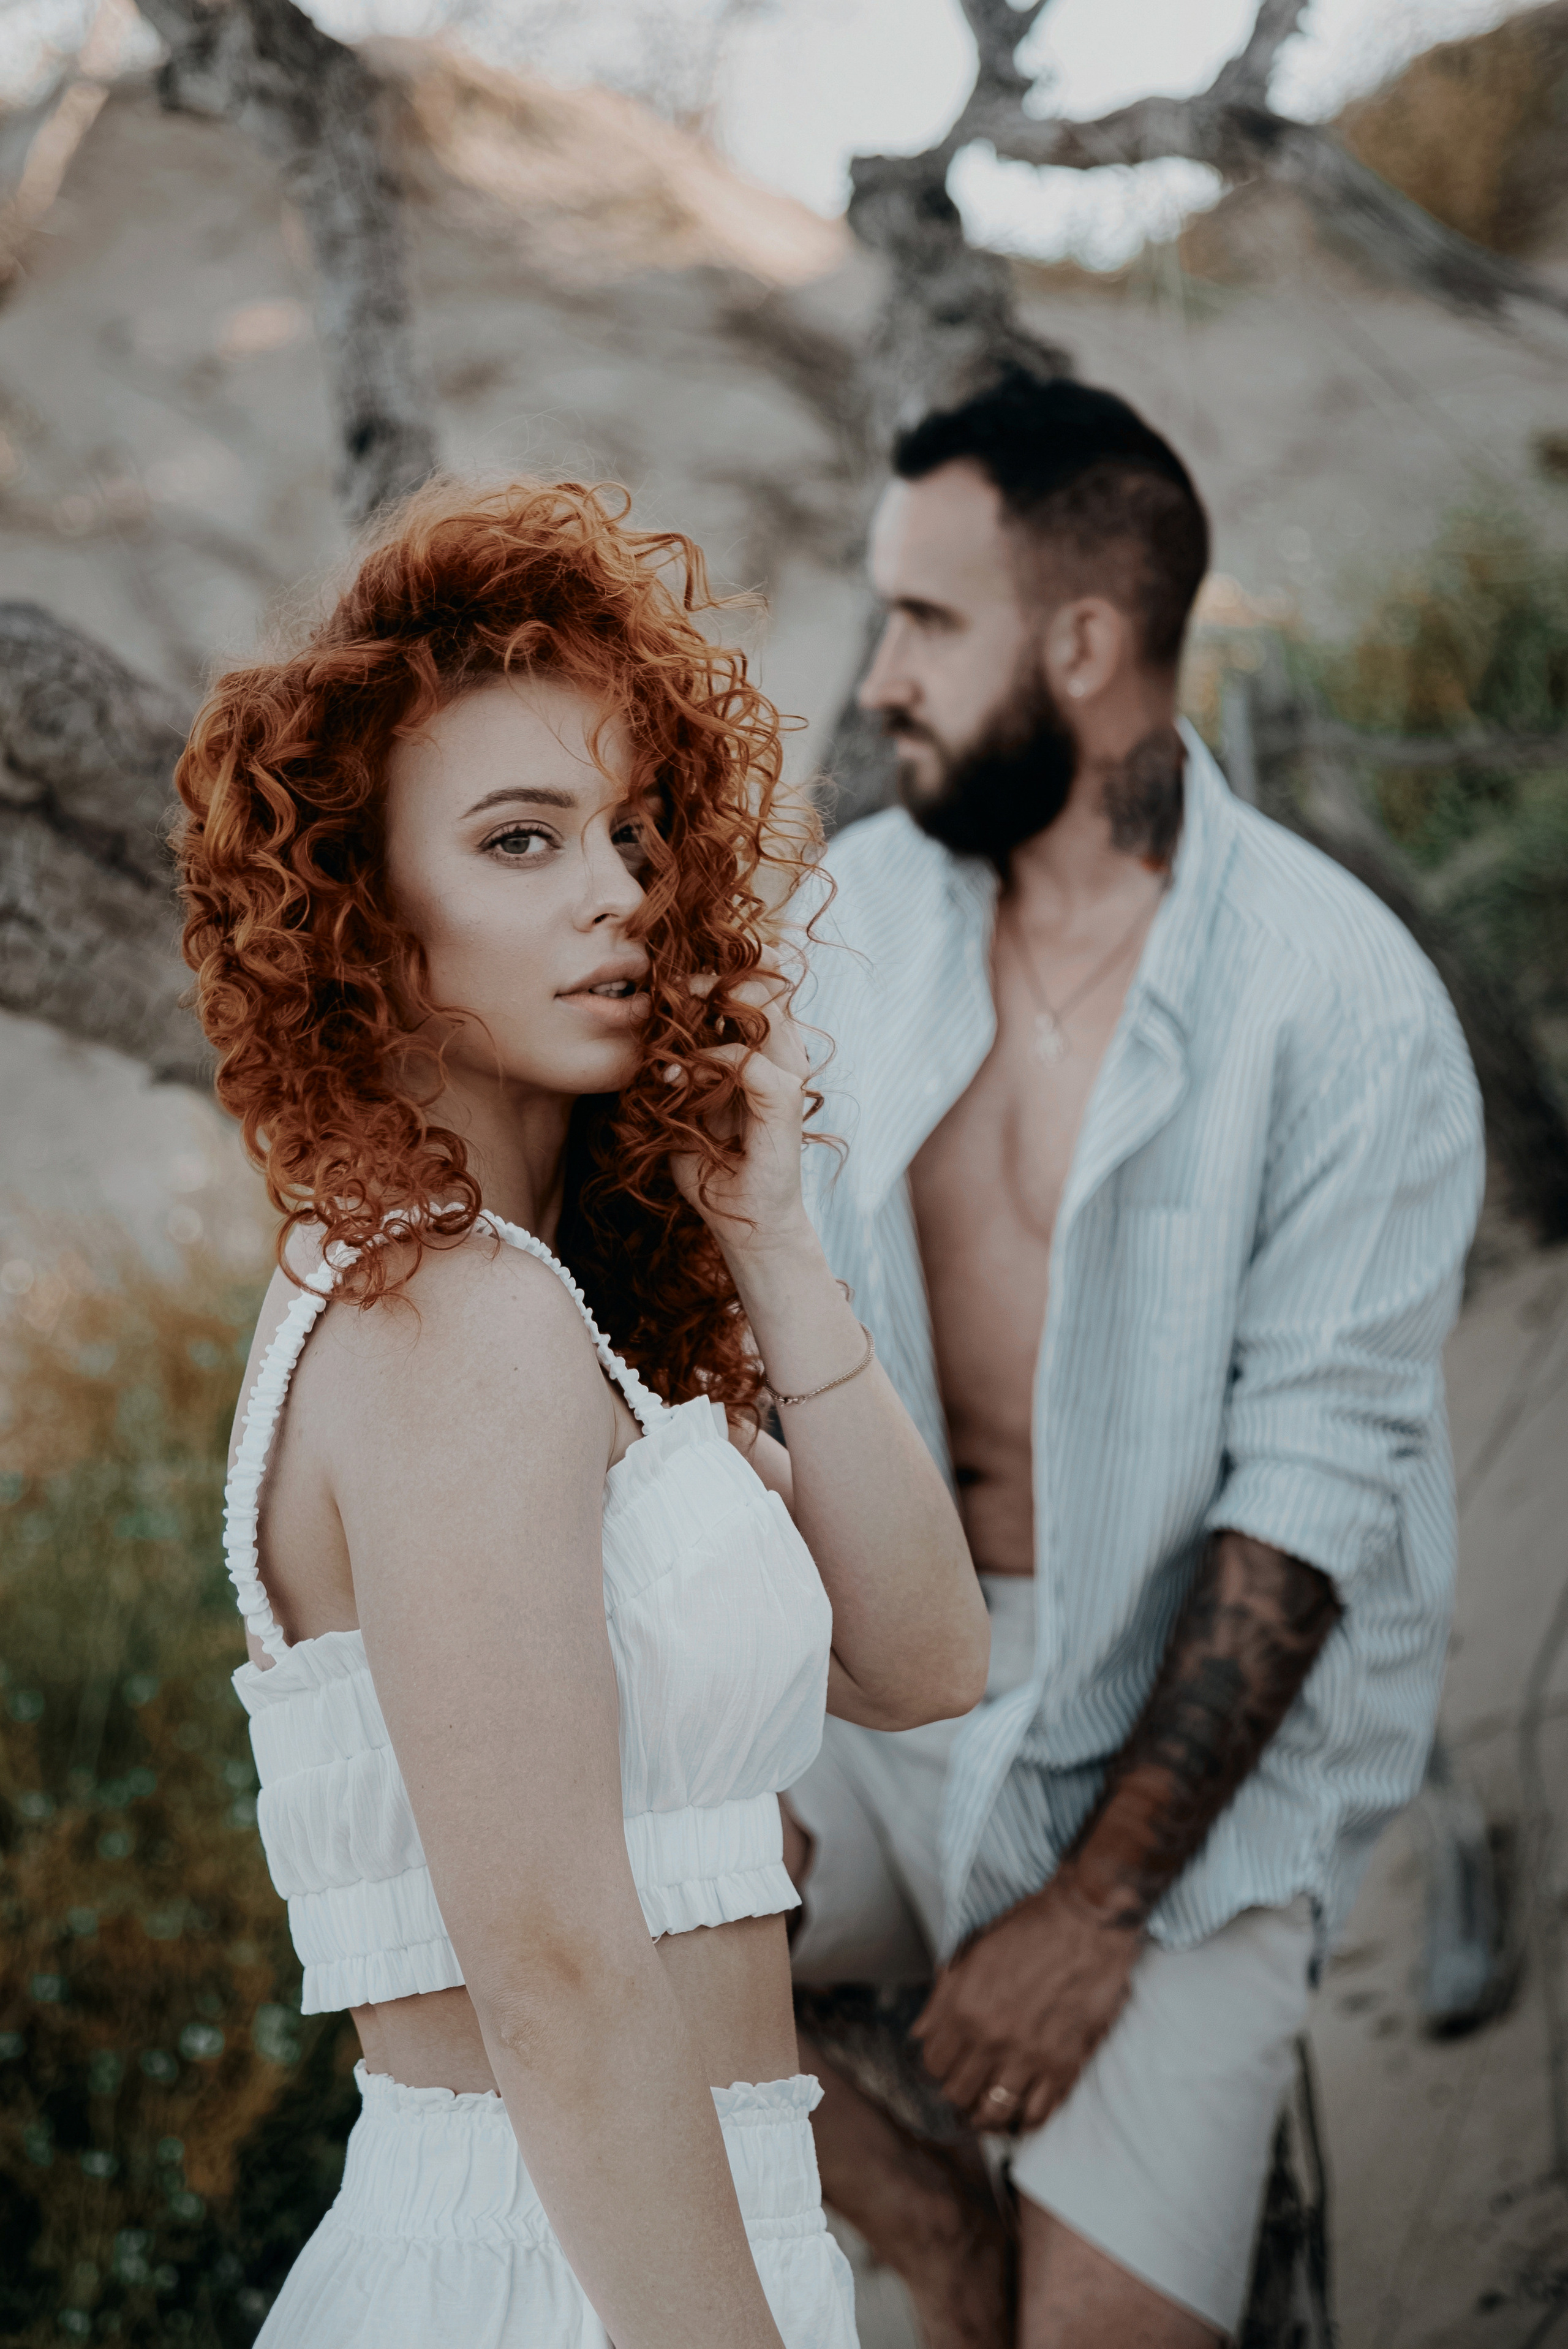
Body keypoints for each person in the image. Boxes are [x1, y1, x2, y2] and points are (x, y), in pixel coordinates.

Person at [175, 480, 989, 2349]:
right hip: (560, 2274)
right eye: (521, 840)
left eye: (631, 833)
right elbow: (549, 1967)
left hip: (653, 2241)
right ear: (363, 913)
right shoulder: (450, 1315)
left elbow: (926, 1657)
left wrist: (772, 1241)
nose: (617, 890)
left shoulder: (534, 1305)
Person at [784, 371, 1485, 2348]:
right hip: (879, 1695)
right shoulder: (851, 921)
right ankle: (931, 2222)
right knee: (545, 1895)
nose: (879, 679)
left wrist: (1093, 1908)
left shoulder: (1339, 1003)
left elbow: (1307, 1506)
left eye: (926, 621)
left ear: (1084, 644)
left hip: (1181, 1759)